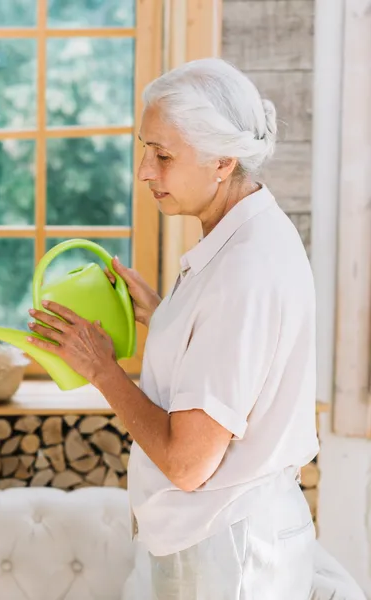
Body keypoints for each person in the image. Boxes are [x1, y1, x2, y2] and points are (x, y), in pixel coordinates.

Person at [26, 57, 319, 599]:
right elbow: (233, 359)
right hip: (223, 538)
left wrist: (102, 369)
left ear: (223, 161)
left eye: (162, 155)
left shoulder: (243, 271)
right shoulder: (248, 238)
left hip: (227, 552)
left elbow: (187, 464)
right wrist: (170, 317)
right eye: (145, 149)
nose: (143, 170)